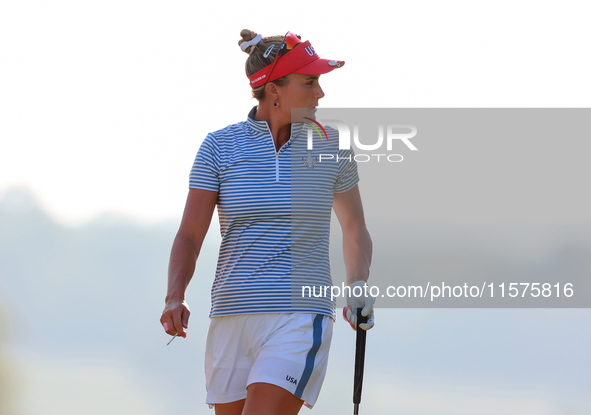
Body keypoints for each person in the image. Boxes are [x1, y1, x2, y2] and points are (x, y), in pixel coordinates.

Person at [160, 29, 375, 415]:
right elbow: (190, 235)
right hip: (231, 314)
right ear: (274, 89)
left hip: (299, 315)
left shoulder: (332, 146)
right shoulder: (219, 146)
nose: (320, 93)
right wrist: (175, 294)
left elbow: (354, 228)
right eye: (310, 82)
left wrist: (357, 284)